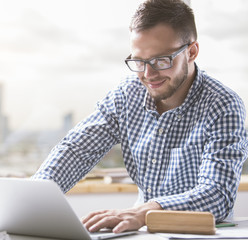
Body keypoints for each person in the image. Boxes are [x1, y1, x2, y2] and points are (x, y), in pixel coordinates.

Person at [32, 0, 248, 234]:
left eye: (161, 60)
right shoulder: (126, 95)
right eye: (139, 61)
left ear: (192, 51)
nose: (148, 74)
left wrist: (144, 212)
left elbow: (216, 194)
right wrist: (27, 202)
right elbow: (76, 151)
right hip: (142, 231)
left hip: (201, 233)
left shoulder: (223, 105)